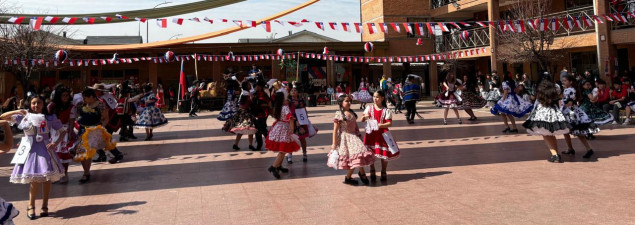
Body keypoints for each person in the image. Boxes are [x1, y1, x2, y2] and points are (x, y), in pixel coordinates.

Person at [1, 96, 66, 220]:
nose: (36, 105)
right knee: (33, 180)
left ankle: (45, 206)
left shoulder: (49, 118)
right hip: (29, 150)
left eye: (39, 103)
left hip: (45, 150)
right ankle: (31, 206)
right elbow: (2, 117)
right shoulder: (23, 117)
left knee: (47, 179)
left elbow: (62, 131)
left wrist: (55, 143)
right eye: (33, 103)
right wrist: (17, 111)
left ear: (43, 104)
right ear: (29, 104)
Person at [327, 94, 375, 185]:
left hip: (354, 137)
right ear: (341, 103)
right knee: (355, 157)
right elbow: (335, 130)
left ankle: (350, 177)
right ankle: (361, 174)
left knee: (357, 156)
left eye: (349, 101)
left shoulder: (352, 113)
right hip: (346, 138)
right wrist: (334, 143)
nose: (349, 103)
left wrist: (358, 135)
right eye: (346, 101)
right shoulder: (339, 114)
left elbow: (355, 126)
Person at [522, 78, 571, 163]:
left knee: (545, 134)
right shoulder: (555, 89)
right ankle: (556, 153)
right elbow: (559, 98)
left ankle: (555, 155)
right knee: (551, 134)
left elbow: (533, 98)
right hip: (553, 110)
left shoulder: (539, 89)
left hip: (542, 112)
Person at [74, 88, 117, 183]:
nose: (84, 99)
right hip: (82, 130)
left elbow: (106, 118)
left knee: (88, 152)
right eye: (83, 97)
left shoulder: (100, 105)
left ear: (92, 97)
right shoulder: (82, 105)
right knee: (81, 152)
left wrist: (100, 128)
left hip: (93, 131)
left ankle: (86, 173)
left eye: (86, 97)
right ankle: (86, 171)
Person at [559, 75, 598, 158]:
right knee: (567, 131)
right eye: (563, 81)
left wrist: (560, 104)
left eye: (565, 80)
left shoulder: (569, 90)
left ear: (571, 82)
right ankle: (571, 148)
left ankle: (588, 149)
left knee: (577, 131)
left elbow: (569, 103)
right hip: (571, 112)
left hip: (571, 113)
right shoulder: (570, 89)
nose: (563, 82)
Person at [362, 90, 396, 182]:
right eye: (374, 96)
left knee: (383, 153)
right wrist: (364, 117)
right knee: (370, 153)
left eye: (377, 97)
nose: (375, 99)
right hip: (371, 134)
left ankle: (383, 171)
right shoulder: (369, 108)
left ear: (382, 98)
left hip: (382, 134)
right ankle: (372, 169)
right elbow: (362, 119)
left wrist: (380, 125)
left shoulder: (386, 110)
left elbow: (389, 124)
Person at [266, 92, 301, 179]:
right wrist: (292, 130)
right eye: (285, 98)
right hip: (285, 128)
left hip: (278, 127)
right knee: (283, 149)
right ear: (282, 99)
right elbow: (290, 119)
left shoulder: (276, 107)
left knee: (283, 148)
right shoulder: (285, 107)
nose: (286, 100)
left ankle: (279, 166)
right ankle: (273, 167)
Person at [47, 86, 77, 184]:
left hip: (64, 130)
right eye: (63, 95)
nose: (66, 97)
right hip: (53, 131)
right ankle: (55, 174)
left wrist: (69, 133)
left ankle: (64, 174)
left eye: (67, 95)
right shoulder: (52, 106)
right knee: (53, 154)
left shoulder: (71, 107)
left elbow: (72, 121)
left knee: (64, 154)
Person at [89, 84, 125, 164]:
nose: (94, 92)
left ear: (99, 91)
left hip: (109, 121)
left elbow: (107, 111)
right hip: (109, 120)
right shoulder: (107, 96)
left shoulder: (103, 99)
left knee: (104, 139)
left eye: (96, 91)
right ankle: (103, 155)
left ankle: (117, 154)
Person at [223, 81, 257, 150]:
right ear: (246, 86)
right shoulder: (246, 94)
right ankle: (249, 145)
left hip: (243, 112)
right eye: (248, 84)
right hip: (245, 113)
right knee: (249, 128)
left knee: (244, 128)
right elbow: (250, 102)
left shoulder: (246, 93)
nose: (250, 85)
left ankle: (237, 144)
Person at [286, 88, 316, 163]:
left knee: (302, 138)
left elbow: (304, 110)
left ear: (298, 93)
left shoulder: (301, 101)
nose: (293, 92)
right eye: (291, 91)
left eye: (295, 90)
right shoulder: (288, 102)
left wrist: (306, 119)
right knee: (291, 138)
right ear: (289, 93)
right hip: (292, 121)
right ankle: (289, 156)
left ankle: (304, 154)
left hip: (301, 121)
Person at [251, 81, 271, 151]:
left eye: (256, 86)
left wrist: (259, 105)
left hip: (262, 114)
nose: (255, 87)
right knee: (260, 130)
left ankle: (267, 144)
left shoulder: (262, 94)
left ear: (259, 87)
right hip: (257, 114)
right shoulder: (256, 94)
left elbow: (268, 104)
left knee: (262, 130)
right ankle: (261, 145)